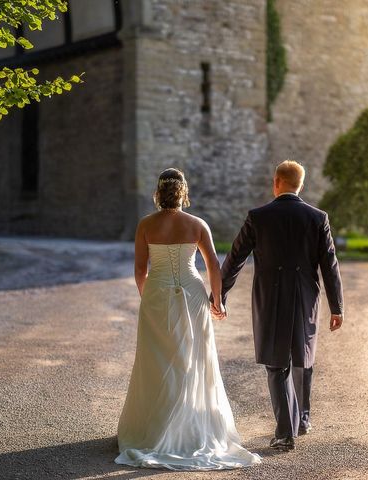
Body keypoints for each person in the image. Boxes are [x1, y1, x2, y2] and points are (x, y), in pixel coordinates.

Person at [115, 168, 260, 470]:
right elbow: (213, 266)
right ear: (183, 193)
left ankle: (152, 429)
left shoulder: (145, 225)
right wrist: (217, 300)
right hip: (193, 296)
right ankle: (192, 428)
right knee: (194, 359)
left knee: (157, 360)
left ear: (158, 193)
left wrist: (150, 298)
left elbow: (140, 270)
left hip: (157, 292)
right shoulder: (197, 224)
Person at [213, 160, 345, 451]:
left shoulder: (258, 217)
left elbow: (234, 258)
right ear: (301, 184)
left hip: (270, 298)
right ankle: (302, 420)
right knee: (303, 357)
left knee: (276, 364)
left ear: (276, 182)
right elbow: (330, 266)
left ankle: (285, 433)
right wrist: (337, 307)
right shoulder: (317, 217)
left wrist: (219, 295)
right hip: (305, 297)